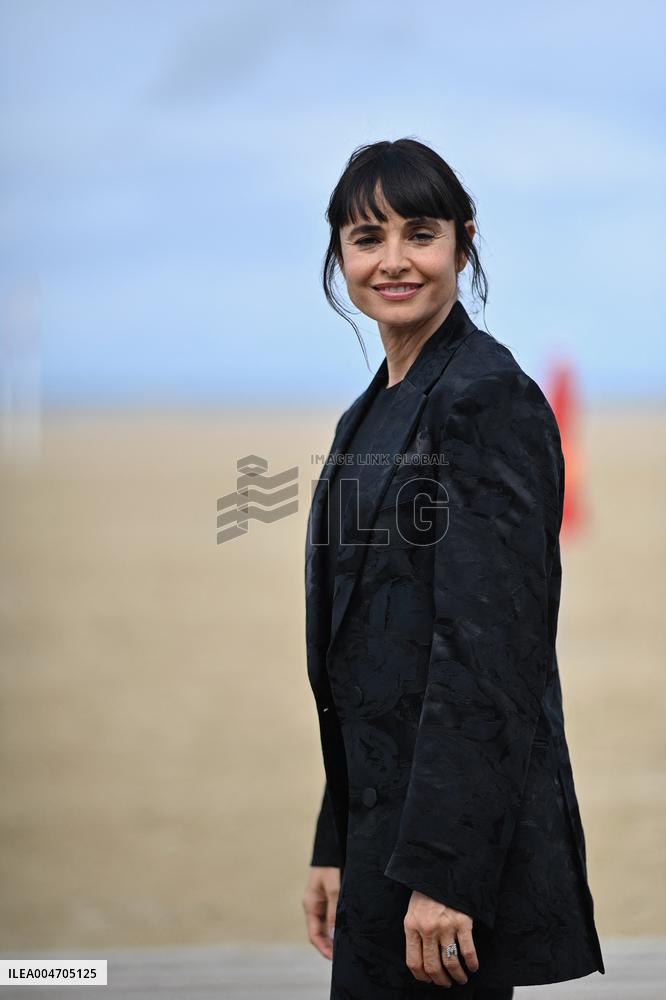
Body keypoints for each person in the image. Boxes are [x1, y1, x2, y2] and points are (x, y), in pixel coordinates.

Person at [302, 138, 605, 999]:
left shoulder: (487, 399)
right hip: (378, 840)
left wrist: (445, 875)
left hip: (445, 869)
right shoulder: (376, 407)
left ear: (463, 244)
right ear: (339, 253)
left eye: (420, 233)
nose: (393, 261)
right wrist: (336, 841)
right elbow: (361, 653)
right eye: (367, 238)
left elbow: (491, 656)